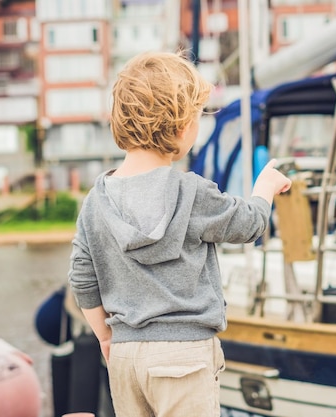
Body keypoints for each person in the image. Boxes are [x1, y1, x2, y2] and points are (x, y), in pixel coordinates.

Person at [67, 50, 291, 417]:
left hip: (125, 357)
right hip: (184, 354)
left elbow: (82, 277)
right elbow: (250, 224)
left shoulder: (96, 201)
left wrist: (107, 337)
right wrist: (264, 187)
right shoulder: (191, 192)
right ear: (182, 126)